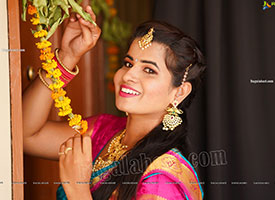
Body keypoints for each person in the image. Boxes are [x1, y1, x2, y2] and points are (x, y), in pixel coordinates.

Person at [23, 5, 205, 200]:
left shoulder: (162, 180)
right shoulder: (103, 131)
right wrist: (67, 58)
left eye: (149, 70)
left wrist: (78, 190)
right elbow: (25, 135)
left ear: (180, 92)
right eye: (128, 63)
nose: (128, 75)